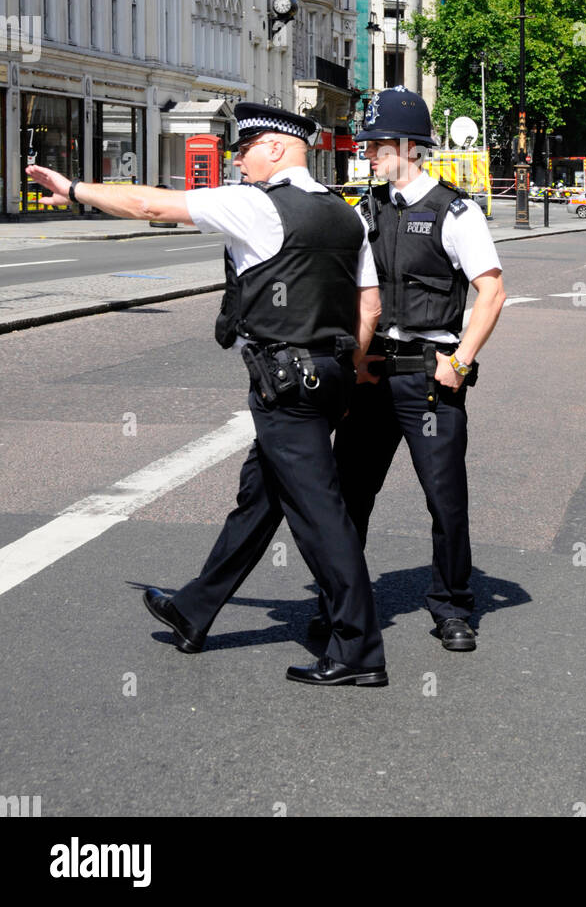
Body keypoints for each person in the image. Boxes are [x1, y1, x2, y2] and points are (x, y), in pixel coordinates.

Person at [26, 102, 388, 689]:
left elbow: (150, 205)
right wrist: (341, 373)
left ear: (276, 147)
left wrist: (72, 187)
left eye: (243, 150)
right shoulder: (347, 215)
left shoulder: (257, 204)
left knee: (321, 516)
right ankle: (196, 610)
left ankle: (358, 650)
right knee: (260, 500)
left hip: (285, 383)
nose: (237, 162)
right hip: (327, 377)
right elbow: (367, 307)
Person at [318, 87, 506, 653]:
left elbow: (491, 291)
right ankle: (341, 608)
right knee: (348, 495)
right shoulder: (365, 210)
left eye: (376, 145)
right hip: (372, 375)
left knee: (444, 498)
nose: (368, 153)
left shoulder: (455, 211)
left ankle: (452, 606)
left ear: (406, 145)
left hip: (429, 378)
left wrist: (461, 362)